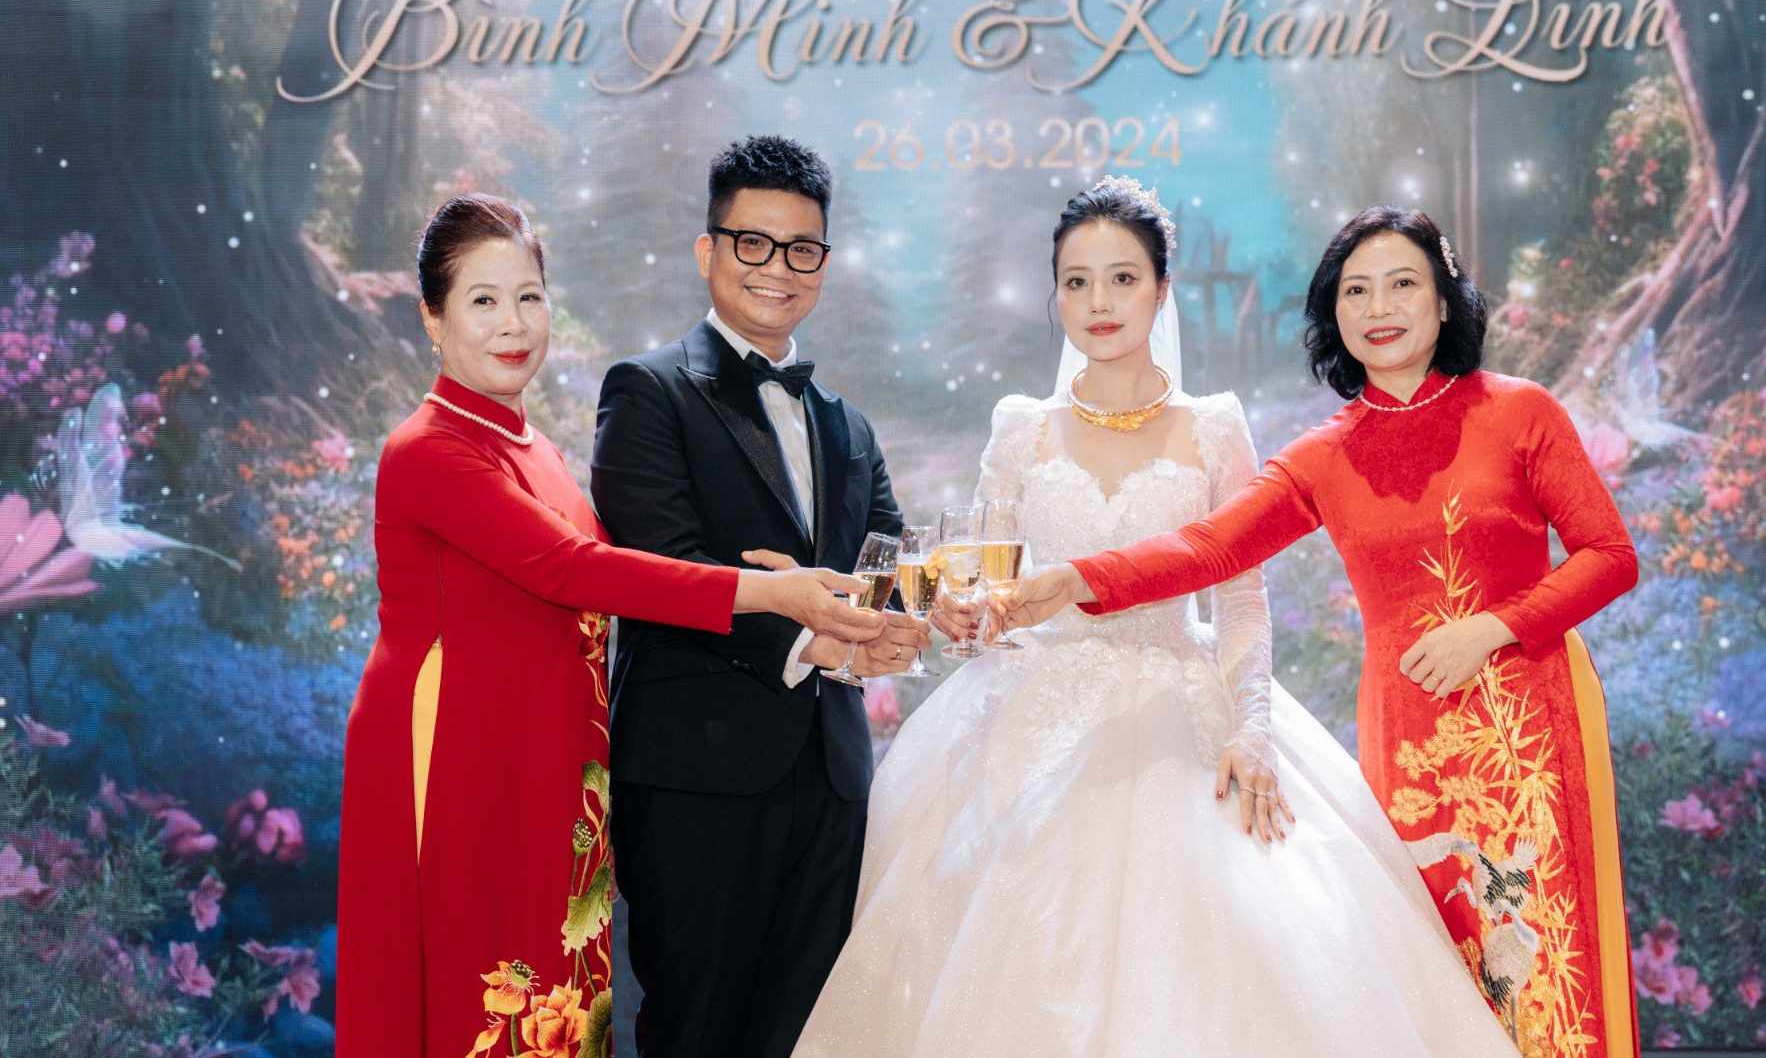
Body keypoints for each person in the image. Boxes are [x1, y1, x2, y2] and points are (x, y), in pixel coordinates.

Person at [793, 178, 1519, 1057]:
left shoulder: (1213, 427)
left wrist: (1252, 724)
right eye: (1076, 282)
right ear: (1056, 294)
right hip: (1026, 719)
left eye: (1123, 278)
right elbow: (987, 586)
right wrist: (965, 615)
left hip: (1181, 708)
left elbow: (1241, 595)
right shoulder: (1020, 427)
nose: (1099, 302)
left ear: (1162, 288)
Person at [1001, 204, 1641, 1058]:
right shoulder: (1324, 454)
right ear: (1332, 313)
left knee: (1549, 972)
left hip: (1524, 724)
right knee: (1434, 981)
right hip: (1407, 735)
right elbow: (1209, 546)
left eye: (1402, 284)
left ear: (1443, 299)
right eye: (1355, 290)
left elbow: (1610, 555)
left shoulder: (1520, 411)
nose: (1379, 307)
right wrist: (1078, 578)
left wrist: (1493, 626)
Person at [335, 193, 879, 1058]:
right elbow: (578, 569)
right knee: (476, 989)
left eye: (529, 296)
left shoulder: (536, 450)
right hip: (464, 759)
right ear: (432, 318)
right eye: (483, 300)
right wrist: (775, 593)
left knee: (557, 995)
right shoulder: (427, 448)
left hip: (551, 760)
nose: (514, 323)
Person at [593, 136, 927, 1058]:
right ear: (708, 250)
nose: (778, 267)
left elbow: (889, 564)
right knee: (698, 1032)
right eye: (753, 243)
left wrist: (890, 630)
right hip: (697, 781)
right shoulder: (647, 391)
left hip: (834, 779)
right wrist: (804, 625)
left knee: (811, 1037)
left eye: (802, 248)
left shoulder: (848, 424)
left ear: (824, 262)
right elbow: (661, 569)